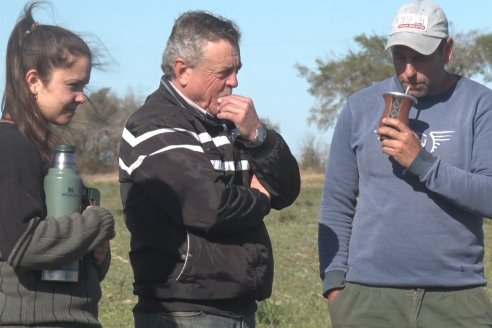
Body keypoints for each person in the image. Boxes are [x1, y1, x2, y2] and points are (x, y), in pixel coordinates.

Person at [119, 10, 300, 328]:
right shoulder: (155, 124)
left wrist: (258, 136)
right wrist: (259, 197)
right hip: (185, 311)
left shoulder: (231, 124)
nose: (235, 81)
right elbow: (208, 205)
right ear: (183, 70)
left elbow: (287, 189)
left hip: (237, 307)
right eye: (224, 72)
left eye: (237, 69)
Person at [318, 0, 492, 327]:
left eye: (421, 57)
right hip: (367, 298)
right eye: (400, 57)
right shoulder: (359, 107)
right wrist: (335, 287)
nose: (408, 71)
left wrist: (422, 162)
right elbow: (336, 204)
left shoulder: (480, 104)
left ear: (447, 50)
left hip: (456, 298)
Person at [0, 2, 115, 327]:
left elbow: (65, 255)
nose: (82, 97)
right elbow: (25, 244)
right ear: (34, 81)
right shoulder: (10, 146)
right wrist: (98, 222)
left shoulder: (44, 150)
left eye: (84, 86)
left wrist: (97, 253)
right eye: (73, 85)